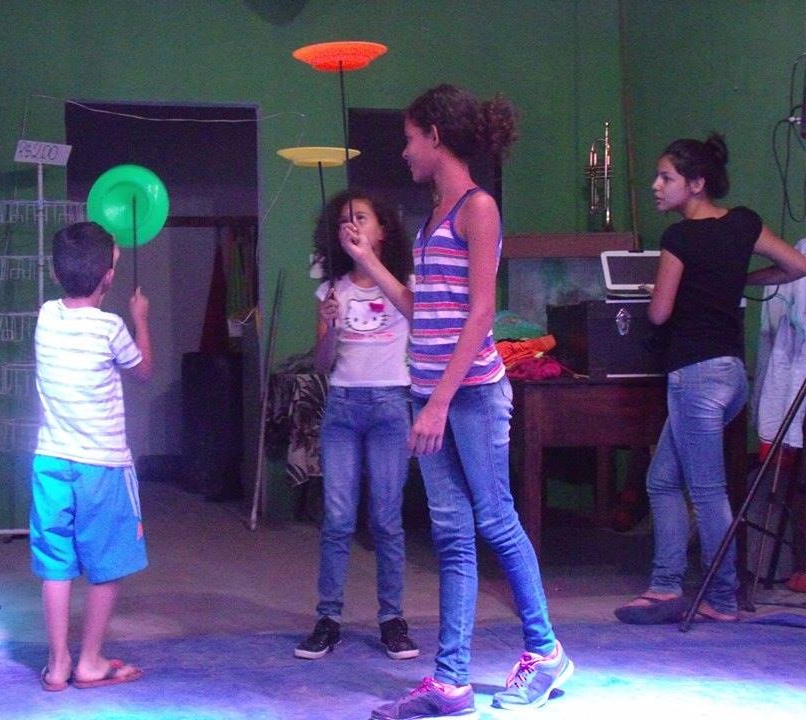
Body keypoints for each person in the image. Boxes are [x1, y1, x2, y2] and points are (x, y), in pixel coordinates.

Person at [341, 84, 572, 718]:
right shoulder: (433, 215)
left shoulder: (478, 208)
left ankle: (546, 652)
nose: (405, 150)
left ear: (435, 137)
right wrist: (368, 260)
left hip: (469, 395)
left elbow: (480, 315)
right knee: (451, 534)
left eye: (410, 138)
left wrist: (439, 403)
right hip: (431, 394)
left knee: (495, 519)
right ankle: (450, 682)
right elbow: (423, 310)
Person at [615, 134, 806, 625]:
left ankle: (720, 596)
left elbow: (659, 313)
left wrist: (662, 289)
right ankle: (666, 586)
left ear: (696, 183)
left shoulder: (679, 238)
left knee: (706, 491)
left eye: (666, 178)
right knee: (662, 480)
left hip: (695, 376)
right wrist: (742, 278)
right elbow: (797, 265)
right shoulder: (743, 223)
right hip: (731, 374)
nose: (656, 186)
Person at [293, 190, 418, 662]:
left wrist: (371, 264)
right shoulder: (332, 289)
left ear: (382, 229)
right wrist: (328, 326)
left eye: (362, 217)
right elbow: (322, 363)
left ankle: (393, 620)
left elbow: (416, 314)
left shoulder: (403, 283)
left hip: (391, 403)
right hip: (343, 407)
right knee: (338, 519)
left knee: (386, 519)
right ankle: (328, 619)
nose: (353, 225)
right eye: (345, 219)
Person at [31, 221, 153, 691]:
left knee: (55, 565)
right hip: (102, 465)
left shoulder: (46, 316)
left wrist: (107, 260)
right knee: (105, 562)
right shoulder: (111, 328)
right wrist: (140, 317)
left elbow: (80, 281)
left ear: (55, 273)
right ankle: (89, 662)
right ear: (108, 276)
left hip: (50, 462)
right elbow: (143, 371)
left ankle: (57, 664)